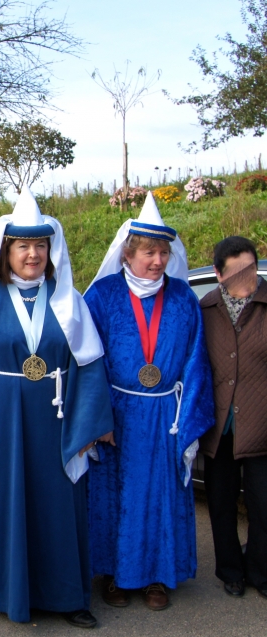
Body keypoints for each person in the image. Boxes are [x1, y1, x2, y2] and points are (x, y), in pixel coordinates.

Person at [0, 188, 113, 629]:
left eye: (40, 245)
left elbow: (91, 366)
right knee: (6, 502)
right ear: (6, 250)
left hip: (57, 420)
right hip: (0, 419)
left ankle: (66, 596)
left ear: (50, 249)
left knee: (58, 505)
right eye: (23, 246)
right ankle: (6, 591)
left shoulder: (68, 301)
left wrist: (87, 424)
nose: (33, 254)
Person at [84, 193, 214, 611]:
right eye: (148, 252)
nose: (157, 260)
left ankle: (159, 577)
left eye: (163, 252)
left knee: (160, 495)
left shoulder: (182, 299)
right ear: (128, 254)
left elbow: (197, 362)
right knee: (116, 496)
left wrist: (189, 419)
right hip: (118, 414)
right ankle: (118, 576)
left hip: (164, 415)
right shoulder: (101, 296)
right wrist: (98, 417)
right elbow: (88, 361)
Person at [199, 236, 267, 600]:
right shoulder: (206, 308)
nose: (249, 277)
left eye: (252, 268)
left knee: (263, 505)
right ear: (218, 274)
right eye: (239, 271)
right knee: (222, 502)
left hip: (262, 424)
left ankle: (260, 570)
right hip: (219, 426)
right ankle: (230, 571)